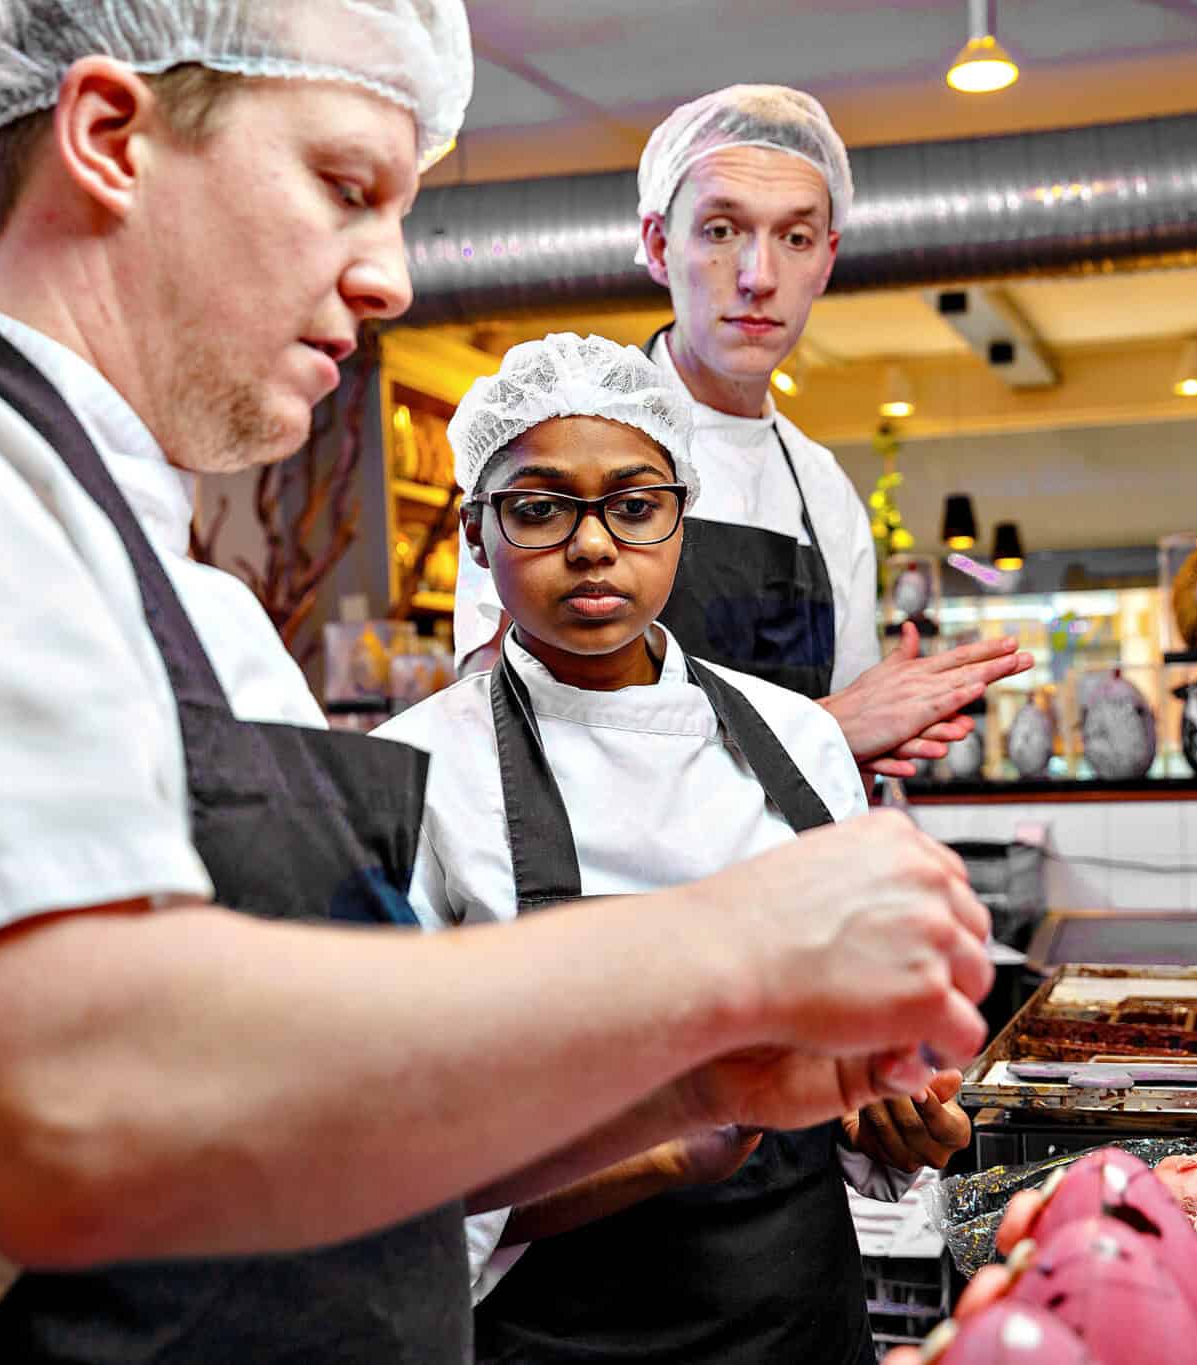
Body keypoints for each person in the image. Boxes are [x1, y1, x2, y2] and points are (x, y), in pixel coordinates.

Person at [0, 4, 1000, 1362]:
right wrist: (730, 949)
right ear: (108, 136)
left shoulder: (207, 620)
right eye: (344, 184)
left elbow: (344, 1127)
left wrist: (707, 1081)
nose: (391, 276)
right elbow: (70, 1105)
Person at [379, 332, 976, 1365]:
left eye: (634, 503)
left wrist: (890, 1117)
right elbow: (394, 1184)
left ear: (677, 520)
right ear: (477, 536)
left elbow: (865, 1049)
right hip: (552, 1335)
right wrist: (653, 1156)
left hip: (796, 1317)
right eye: (537, 506)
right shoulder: (416, 776)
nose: (593, 544)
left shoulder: (798, 743)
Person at [453, 84, 1032, 779]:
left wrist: (876, 735)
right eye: (722, 230)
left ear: (827, 259)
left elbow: (846, 762)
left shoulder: (823, 491)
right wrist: (824, 727)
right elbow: (505, 742)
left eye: (795, 237)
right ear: (659, 244)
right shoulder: (552, 447)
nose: (759, 276)